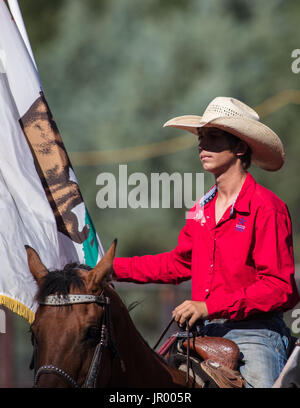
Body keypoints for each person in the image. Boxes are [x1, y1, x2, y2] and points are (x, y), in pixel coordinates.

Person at [112, 96, 300, 388]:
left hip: (256, 334)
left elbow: (279, 287)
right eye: (201, 138)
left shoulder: (266, 207)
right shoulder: (200, 209)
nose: (202, 146)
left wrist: (209, 306)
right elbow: (177, 264)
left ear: (239, 147)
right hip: (203, 334)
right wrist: (111, 267)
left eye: (213, 137)